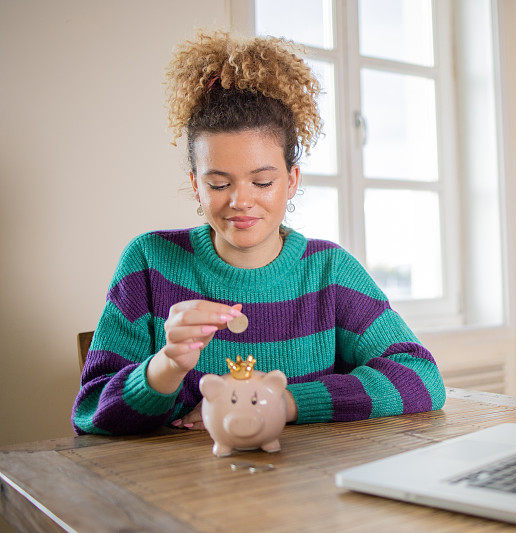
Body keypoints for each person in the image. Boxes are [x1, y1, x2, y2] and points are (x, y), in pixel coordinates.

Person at [71, 29, 446, 436]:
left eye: (262, 182)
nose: (241, 201)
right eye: (218, 184)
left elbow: (421, 378)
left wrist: (282, 402)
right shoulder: (149, 261)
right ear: (196, 183)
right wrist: (169, 363)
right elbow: (91, 413)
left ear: (292, 180)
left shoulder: (329, 270)